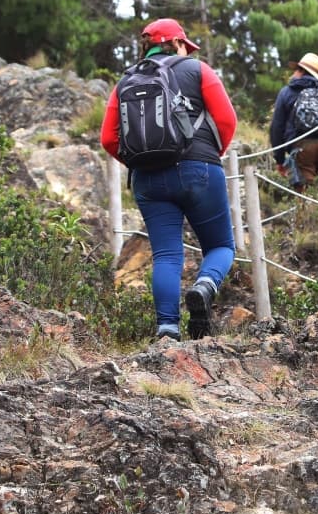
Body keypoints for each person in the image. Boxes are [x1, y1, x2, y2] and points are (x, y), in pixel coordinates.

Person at [100, 18, 238, 341]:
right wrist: (208, 153)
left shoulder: (124, 84)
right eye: (184, 46)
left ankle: (167, 330)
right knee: (220, 246)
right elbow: (227, 120)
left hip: (148, 180)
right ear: (176, 43)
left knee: (166, 254)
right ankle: (204, 286)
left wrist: (138, 160)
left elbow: (108, 138)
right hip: (200, 170)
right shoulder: (198, 70)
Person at [270, 52, 318, 191]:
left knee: (304, 193)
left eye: (296, 69)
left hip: (301, 148)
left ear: (301, 71)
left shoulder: (287, 92)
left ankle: (306, 211)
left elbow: (277, 127)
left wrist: (279, 159)